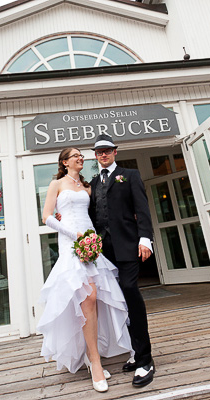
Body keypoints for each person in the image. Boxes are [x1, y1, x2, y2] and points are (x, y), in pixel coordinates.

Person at [37, 147, 133, 393]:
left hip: (91, 241)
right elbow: (47, 217)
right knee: (87, 296)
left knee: (94, 298)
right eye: (76, 156)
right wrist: (74, 234)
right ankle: (95, 362)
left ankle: (92, 354)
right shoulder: (56, 185)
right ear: (64, 162)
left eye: (82, 155)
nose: (81, 158)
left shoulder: (88, 187)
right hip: (71, 241)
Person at [89, 134, 155, 388]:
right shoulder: (94, 182)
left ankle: (145, 359)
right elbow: (90, 215)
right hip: (103, 253)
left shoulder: (130, 175)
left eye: (107, 150)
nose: (103, 155)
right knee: (116, 302)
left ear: (115, 151)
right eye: (99, 152)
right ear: (95, 156)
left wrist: (145, 239)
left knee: (130, 292)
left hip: (128, 247)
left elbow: (142, 209)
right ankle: (135, 353)